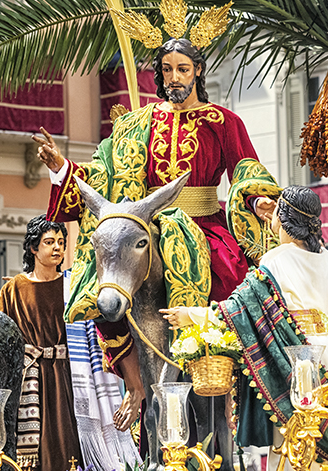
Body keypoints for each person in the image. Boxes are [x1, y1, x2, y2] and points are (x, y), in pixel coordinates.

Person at [34, 37, 280, 430]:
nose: (175, 77)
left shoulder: (223, 122)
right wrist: (62, 168)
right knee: (108, 292)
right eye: (167, 70)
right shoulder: (136, 123)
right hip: (145, 225)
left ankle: (219, 383)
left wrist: (258, 202)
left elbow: (246, 170)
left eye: (183, 69)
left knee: (231, 287)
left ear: (197, 70)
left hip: (203, 226)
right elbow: (102, 177)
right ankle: (136, 383)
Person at [162, 187, 328, 471]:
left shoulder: (277, 258)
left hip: (296, 355)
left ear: (283, 219)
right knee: (322, 431)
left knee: (292, 441)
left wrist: (191, 315)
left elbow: (239, 308)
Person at [0, 216, 82, 471]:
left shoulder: (72, 285)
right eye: (49, 242)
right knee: (37, 442)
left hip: (66, 374)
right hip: (30, 377)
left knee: (67, 435)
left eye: (61, 243)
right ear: (33, 248)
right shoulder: (14, 288)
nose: (57, 248)